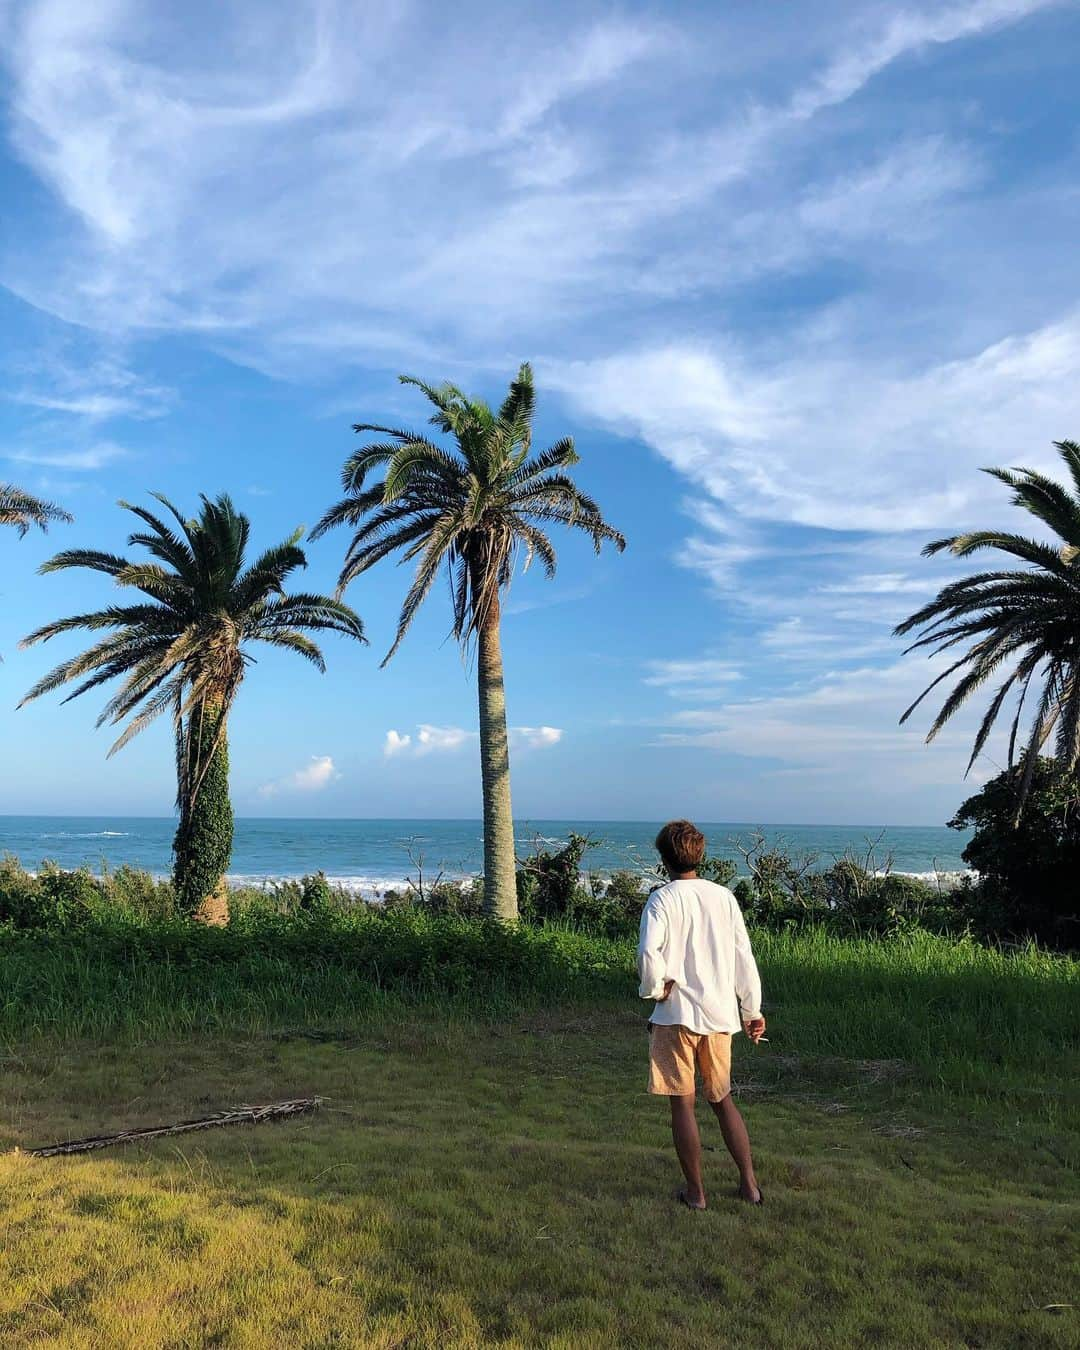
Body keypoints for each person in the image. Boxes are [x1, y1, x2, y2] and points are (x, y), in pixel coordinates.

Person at [638, 819, 766, 1209]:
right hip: (719, 1015)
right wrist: (752, 1009)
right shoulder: (723, 897)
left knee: (683, 1103)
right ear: (700, 854)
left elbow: (648, 954)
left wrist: (655, 989)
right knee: (723, 1099)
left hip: (675, 1015)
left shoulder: (662, 899)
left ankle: (696, 1192)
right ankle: (749, 1184)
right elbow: (743, 954)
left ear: (663, 859)